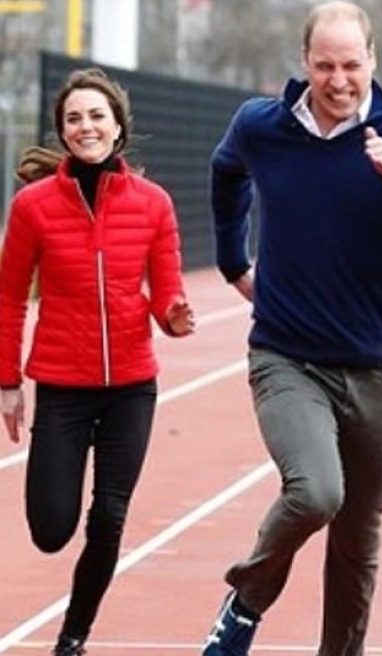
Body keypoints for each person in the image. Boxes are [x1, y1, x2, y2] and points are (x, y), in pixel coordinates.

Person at [200, 2, 382, 655]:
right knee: (317, 491)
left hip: (376, 369)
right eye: (325, 65)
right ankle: (245, 603)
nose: (339, 79)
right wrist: (235, 259)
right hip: (287, 357)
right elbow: (225, 170)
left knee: (358, 535)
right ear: (305, 64)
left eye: (351, 64)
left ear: (373, 62)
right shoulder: (262, 126)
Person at [0, 67, 195, 656]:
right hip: (61, 384)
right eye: (74, 118)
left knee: (108, 517)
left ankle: (73, 635)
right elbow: (8, 297)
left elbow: (165, 290)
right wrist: (7, 382)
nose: (86, 126)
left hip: (131, 386)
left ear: (118, 126)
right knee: (51, 528)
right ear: (63, 131)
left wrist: (175, 313)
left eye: (97, 115)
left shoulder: (154, 204)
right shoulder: (33, 207)